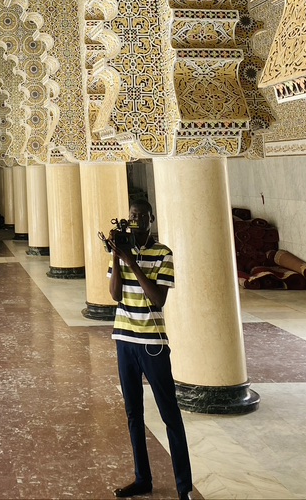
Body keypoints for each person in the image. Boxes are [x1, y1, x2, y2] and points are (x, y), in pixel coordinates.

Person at [107, 199, 193, 500]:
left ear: (151, 219)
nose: (135, 220)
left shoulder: (162, 254)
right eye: (132, 216)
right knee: (133, 413)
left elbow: (158, 299)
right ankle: (142, 478)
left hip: (153, 344)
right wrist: (118, 259)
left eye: (141, 216)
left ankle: (184, 487)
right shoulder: (120, 251)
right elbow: (115, 294)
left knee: (170, 414)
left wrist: (132, 262)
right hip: (125, 340)